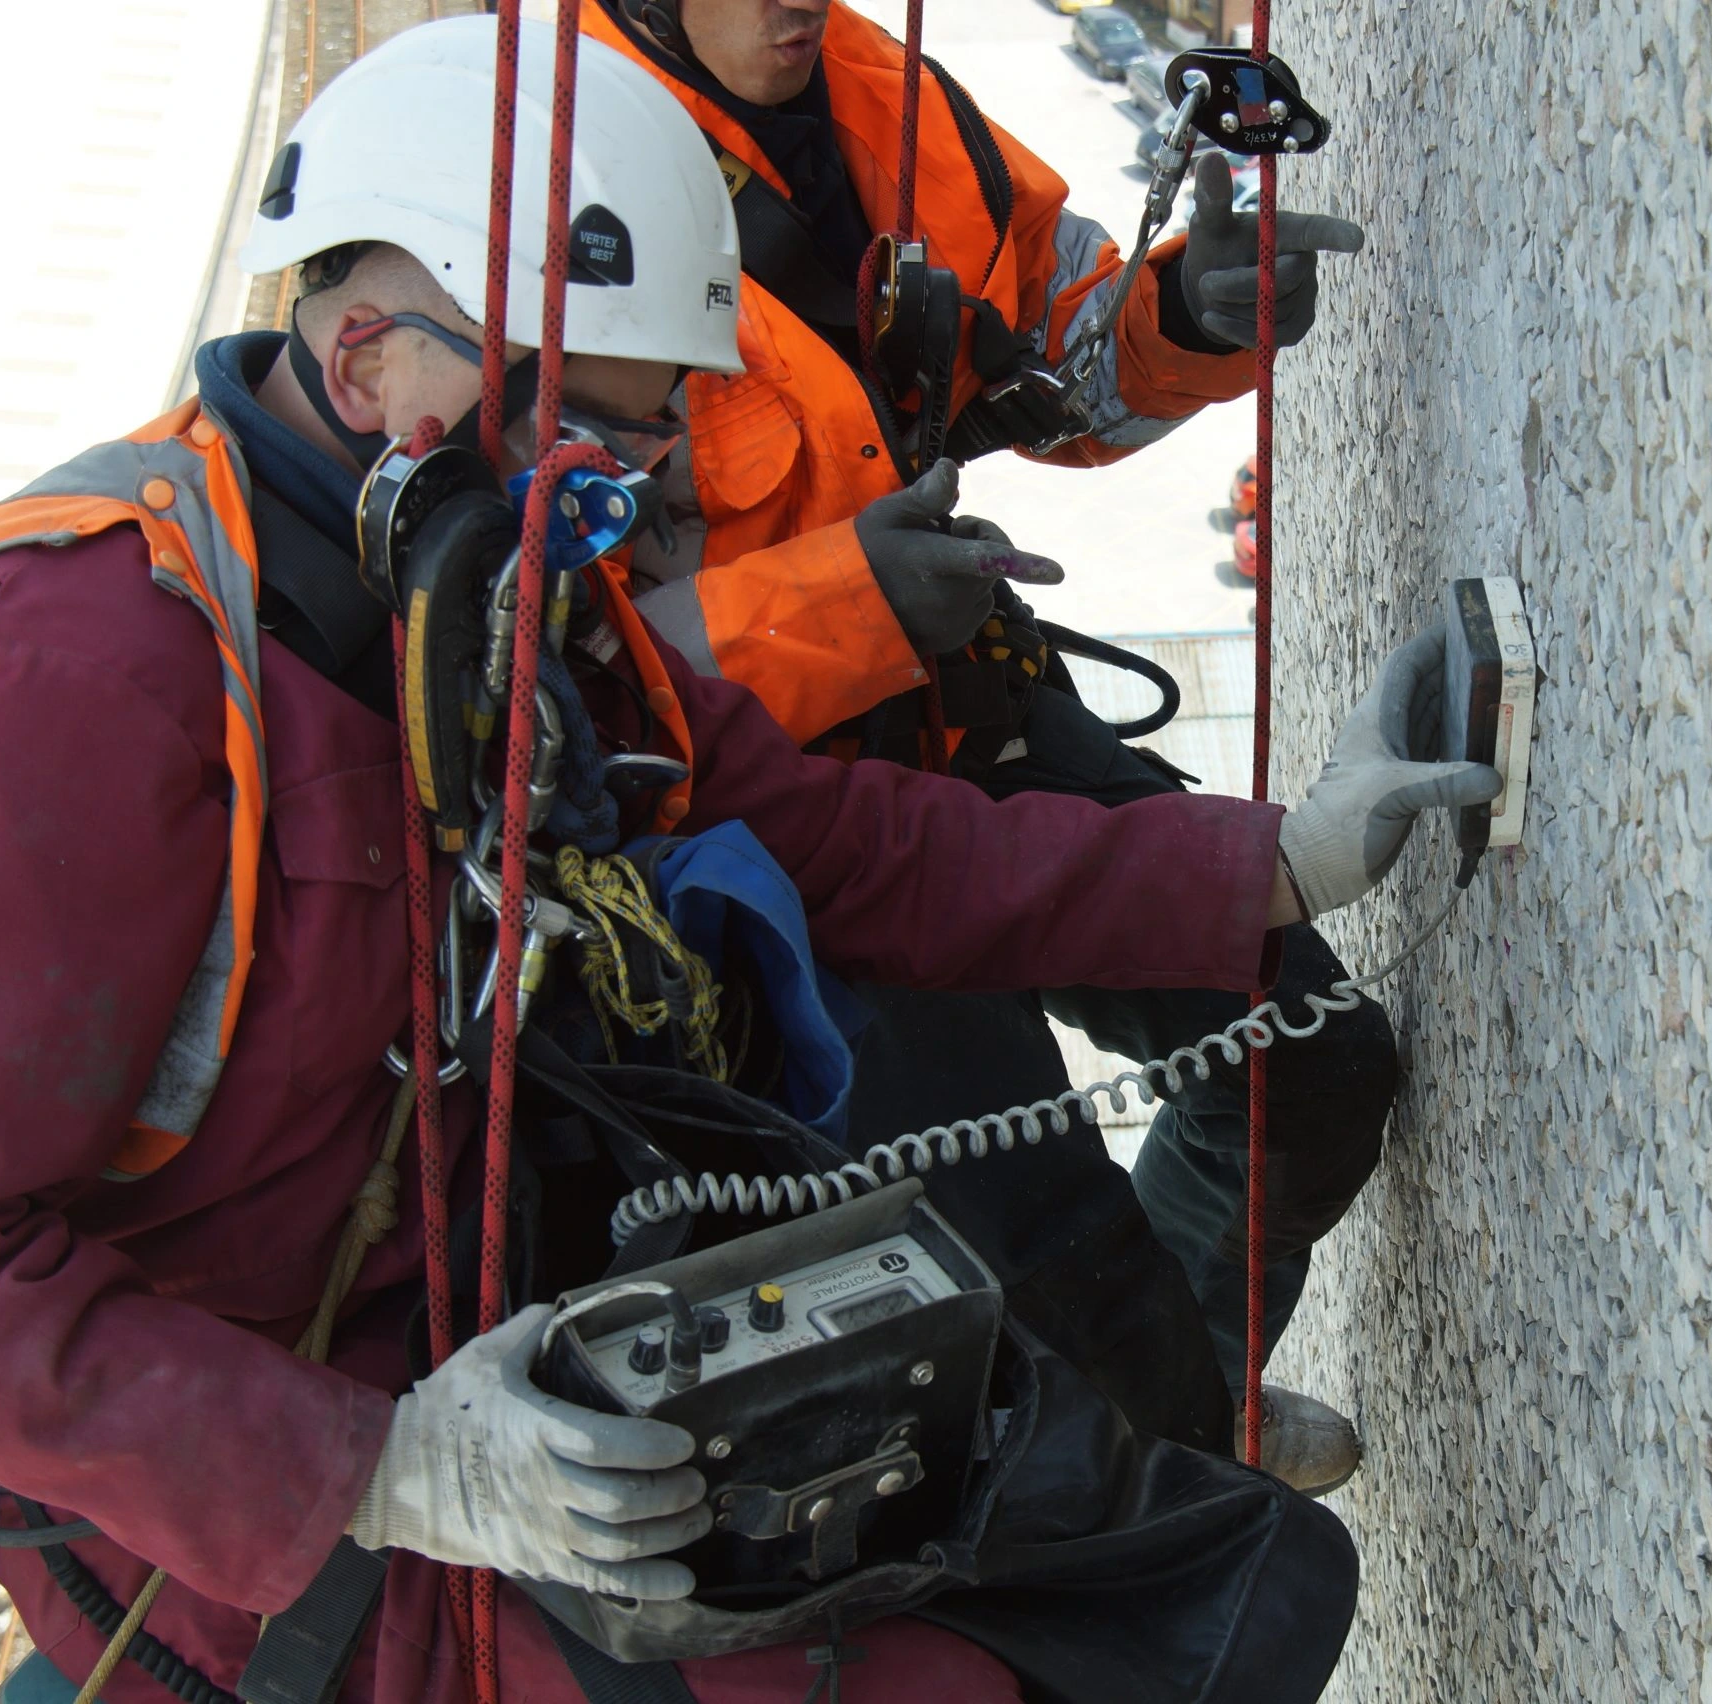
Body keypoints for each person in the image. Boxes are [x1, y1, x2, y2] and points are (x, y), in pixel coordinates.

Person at [0, 20, 1492, 1704]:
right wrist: (377, 1469)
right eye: (581, 442)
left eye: (640, 455)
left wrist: (1272, 867)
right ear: (369, 362)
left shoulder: (490, 598)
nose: (615, 510)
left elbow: (834, 845)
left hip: (542, 1367)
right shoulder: (63, 679)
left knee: (1228, 1580)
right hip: (283, 1554)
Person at [584, 0, 1395, 1484]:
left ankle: (1170, 1411)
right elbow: (581, 675)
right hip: (777, 851)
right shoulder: (542, 196)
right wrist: (846, 605)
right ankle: (1147, 1443)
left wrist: (1180, 314)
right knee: (1047, 1253)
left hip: (971, 728)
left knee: (1312, 1065)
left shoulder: (884, 101)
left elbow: (1053, 340)